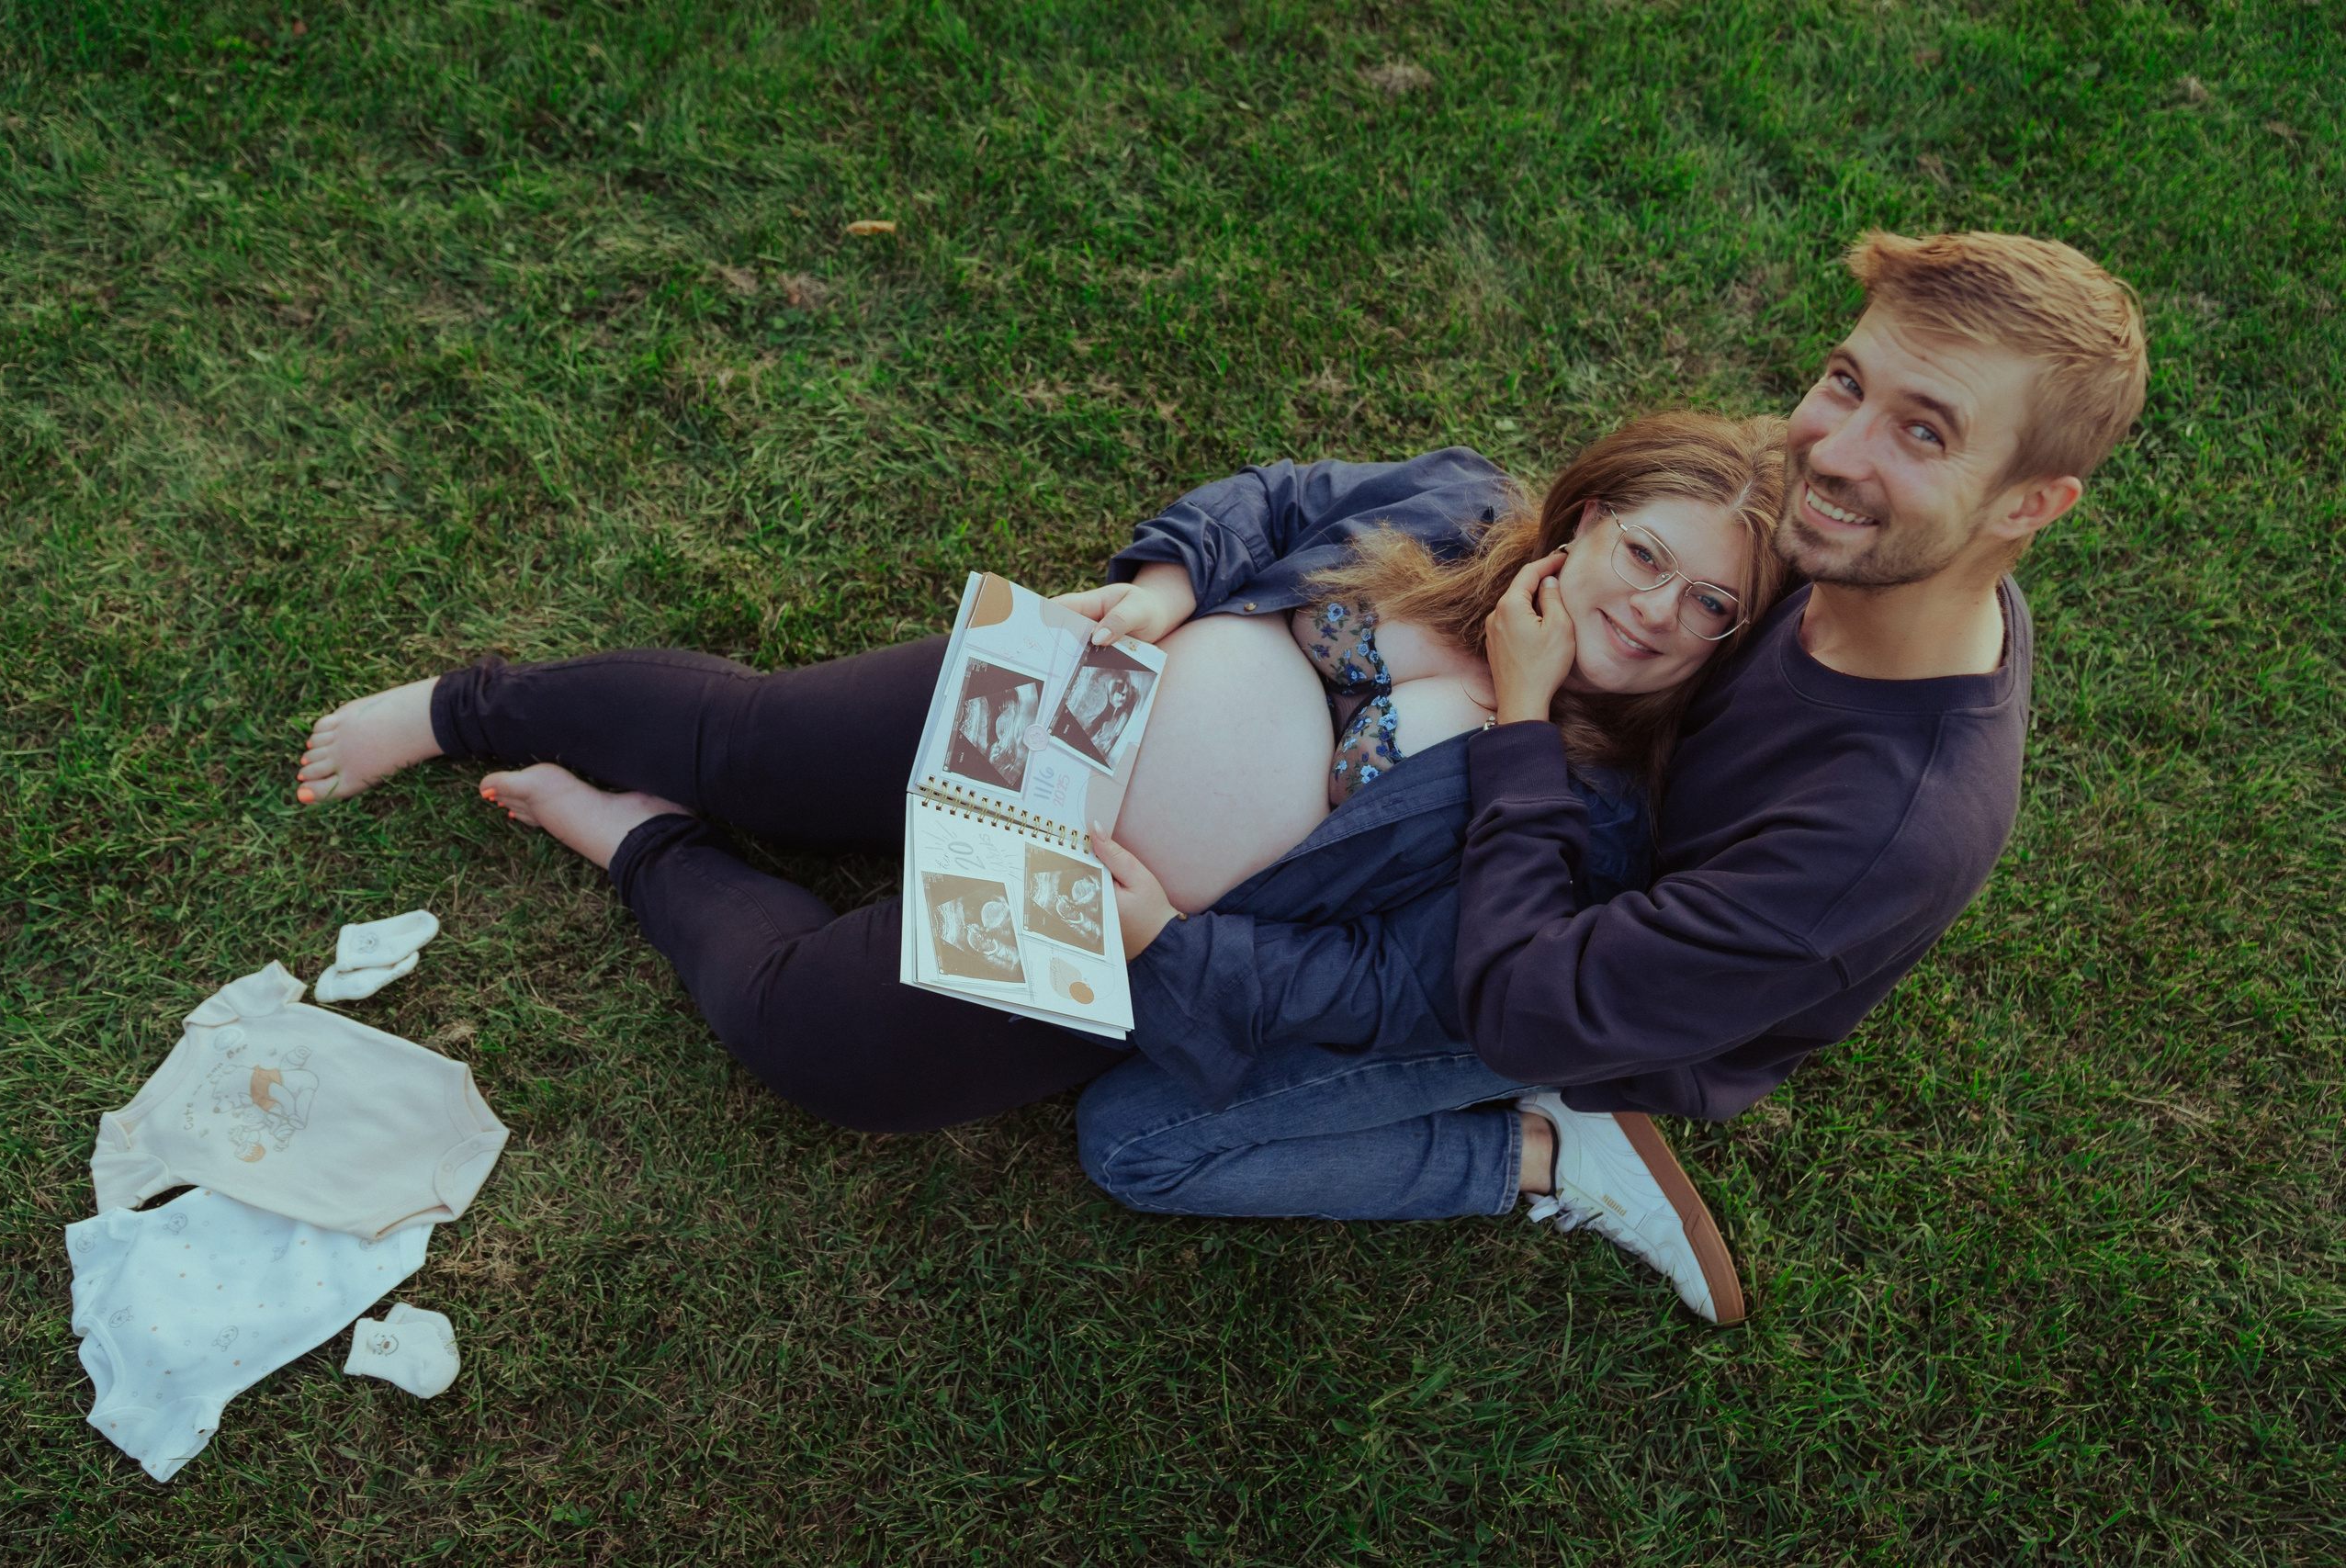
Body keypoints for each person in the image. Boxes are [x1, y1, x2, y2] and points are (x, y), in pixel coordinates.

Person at [1077, 230, 2149, 1325]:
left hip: (1587, 1000)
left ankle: (1544, 1150)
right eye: (1844, 381)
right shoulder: (1851, 545)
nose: (1832, 453)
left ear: (2028, 507)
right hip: (1578, 867)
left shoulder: (1880, 832)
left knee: (1137, 1139)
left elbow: (1525, 1004)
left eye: (1922, 431)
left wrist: (1526, 714)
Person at [287, 414, 1779, 1170]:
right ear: (1586, 518)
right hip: (1052, 708)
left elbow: (1383, 983)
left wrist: (1165, 945)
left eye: (1710, 609)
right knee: (754, 740)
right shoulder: (1458, 504)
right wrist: (1170, 575)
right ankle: (457, 704)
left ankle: (636, 842)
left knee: (820, 1034)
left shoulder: (1577, 812)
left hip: (1102, 925)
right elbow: (1277, 501)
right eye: (1647, 553)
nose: (1657, 609)